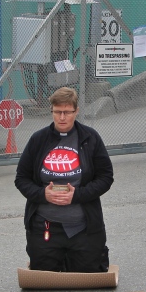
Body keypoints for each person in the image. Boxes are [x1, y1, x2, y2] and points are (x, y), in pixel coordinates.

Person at [15, 87, 114, 272]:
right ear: (51, 110)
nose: (62, 117)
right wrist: (42, 194)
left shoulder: (90, 138)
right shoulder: (38, 140)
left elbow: (106, 177)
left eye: (67, 112)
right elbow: (21, 179)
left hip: (82, 227)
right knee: (44, 278)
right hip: (45, 226)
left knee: (89, 276)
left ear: (76, 111)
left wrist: (78, 195)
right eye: (57, 111)